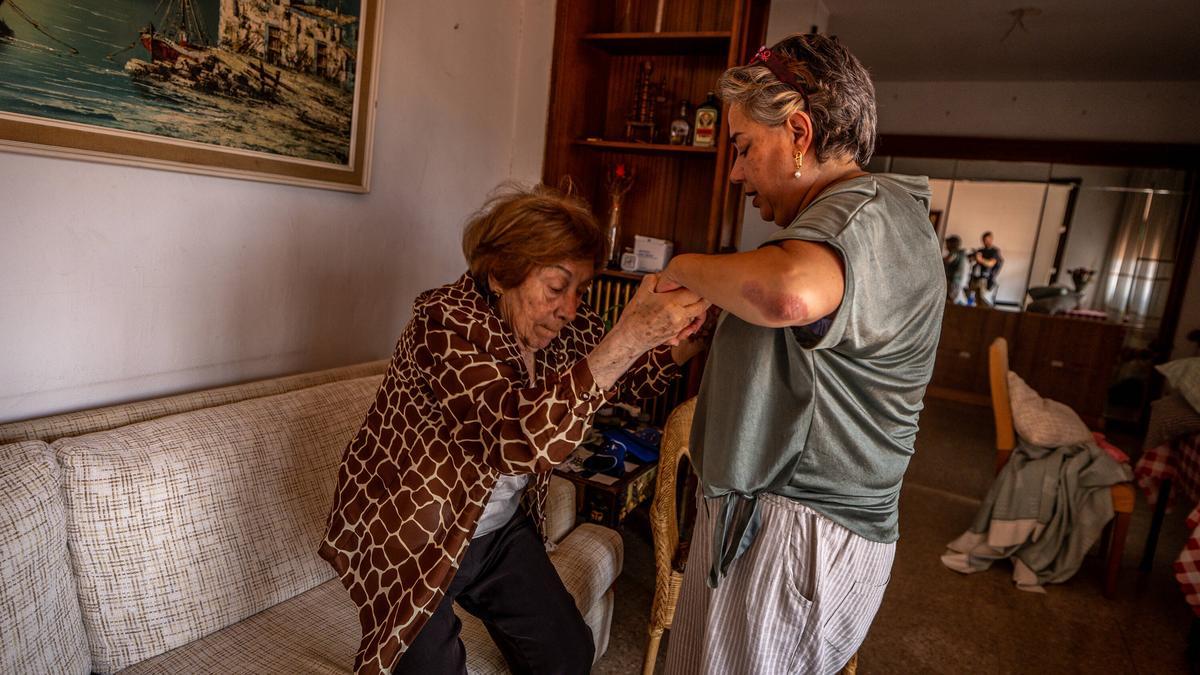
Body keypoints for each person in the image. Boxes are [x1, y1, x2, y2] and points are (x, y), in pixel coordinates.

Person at [318, 184, 710, 675]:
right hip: (413, 534)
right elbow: (520, 440)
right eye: (556, 286)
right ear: (502, 273)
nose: (570, 308)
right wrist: (628, 333)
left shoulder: (562, 323)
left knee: (567, 656)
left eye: (580, 291)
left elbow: (624, 377)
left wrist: (682, 342)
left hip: (492, 529)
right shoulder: (444, 323)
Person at [654, 34, 944, 674]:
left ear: (800, 133)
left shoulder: (859, 217)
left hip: (794, 529)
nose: (734, 172)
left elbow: (787, 296)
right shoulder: (867, 218)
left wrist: (683, 267)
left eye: (744, 148)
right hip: (784, 523)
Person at [967, 231, 1003, 306]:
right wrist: (973, 257)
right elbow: (971, 259)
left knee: (982, 300)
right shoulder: (981, 250)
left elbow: (991, 263)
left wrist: (980, 259)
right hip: (975, 278)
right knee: (972, 299)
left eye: (987, 240)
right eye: (983, 240)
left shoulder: (995, 251)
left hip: (985, 279)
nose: (985, 242)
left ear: (991, 239)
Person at [944, 234, 970, 304]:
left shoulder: (954, 253)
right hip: (961, 283)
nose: (946, 246)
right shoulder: (963, 254)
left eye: (947, 244)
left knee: (951, 303)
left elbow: (946, 261)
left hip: (954, 282)